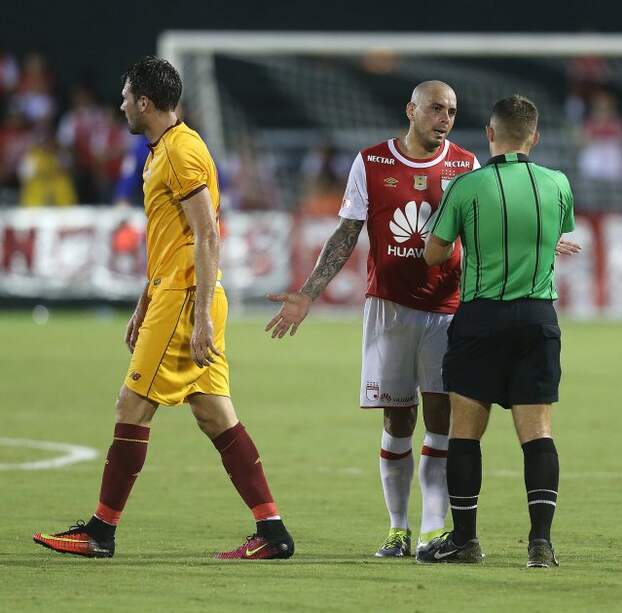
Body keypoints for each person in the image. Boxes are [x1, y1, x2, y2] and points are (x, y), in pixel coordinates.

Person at [32, 56, 294, 560]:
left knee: (131, 407)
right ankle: (272, 531)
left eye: (127, 98)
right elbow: (170, 241)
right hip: (175, 294)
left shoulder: (179, 152)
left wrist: (198, 317)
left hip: (186, 300)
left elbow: (207, 234)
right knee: (215, 415)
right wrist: (143, 301)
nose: (122, 106)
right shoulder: (165, 150)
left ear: (146, 102)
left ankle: (100, 532)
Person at [265, 81, 479, 557]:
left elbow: (482, 234)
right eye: (436, 109)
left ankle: (431, 531)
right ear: (411, 110)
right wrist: (308, 293)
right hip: (389, 308)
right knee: (398, 419)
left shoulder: (466, 165)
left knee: (441, 418)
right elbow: (346, 233)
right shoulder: (372, 161)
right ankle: (397, 529)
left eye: (451, 111)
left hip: (447, 311)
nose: (444, 119)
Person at [417, 94, 579, 569]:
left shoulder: (467, 186)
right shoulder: (557, 183)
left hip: (480, 320)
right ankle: (540, 544)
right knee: (538, 433)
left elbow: (433, 254)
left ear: (490, 134)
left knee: (465, 434)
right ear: (535, 137)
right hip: (537, 319)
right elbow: (556, 231)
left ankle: (465, 540)